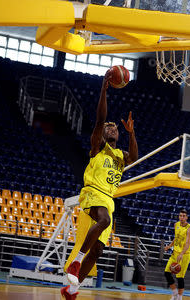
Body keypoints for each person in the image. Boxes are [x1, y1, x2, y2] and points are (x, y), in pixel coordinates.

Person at [61, 70, 138, 299]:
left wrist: (131, 133)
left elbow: (133, 157)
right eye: (108, 128)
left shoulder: (120, 155)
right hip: (93, 192)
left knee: (98, 251)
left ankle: (72, 290)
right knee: (103, 221)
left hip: (109, 199)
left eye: (114, 127)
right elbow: (99, 120)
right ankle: (75, 263)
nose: (111, 128)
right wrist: (104, 91)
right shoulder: (98, 147)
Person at [164, 209, 190, 300]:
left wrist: (181, 253)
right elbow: (176, 238)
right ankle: (175, 293)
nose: (182, 217)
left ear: (186, 217)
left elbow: (188, 243)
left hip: (184, 255)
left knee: (180, 277)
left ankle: (180, 297)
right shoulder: (176, 225)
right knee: (167, 273)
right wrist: (169, 246)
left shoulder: (189, 228)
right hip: (175, 253)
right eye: (180, 215)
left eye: (184, 216)